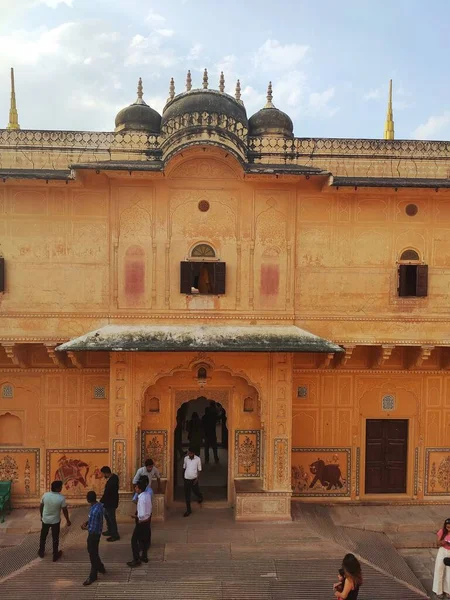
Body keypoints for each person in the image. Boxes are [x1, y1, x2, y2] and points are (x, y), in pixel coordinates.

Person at [38, 480, 71, 561]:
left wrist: (42, 515)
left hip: (45, 519)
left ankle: (41, 552)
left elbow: (41, 506)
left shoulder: (45, 495)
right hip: (55, 521)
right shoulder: (61, 498)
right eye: (60, 487)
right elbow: (64, 510)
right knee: (55, 538)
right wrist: (68, 520)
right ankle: (55, 554)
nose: (61, 488)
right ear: (57, 488)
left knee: (43, 536)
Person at [81, 491, 106, 586]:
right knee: (93, 552)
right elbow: (92, 519)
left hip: (93, 535)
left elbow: (93, 528)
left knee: (92, 554)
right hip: (95, 533)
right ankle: (100, 567)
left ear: (88, 499)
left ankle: (93, 575)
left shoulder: (95, 510)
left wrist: (84, 528)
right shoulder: (97, 505)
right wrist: (87, 522)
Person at [127, 480, 152, 568]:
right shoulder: (147, 495)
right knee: (144, 540)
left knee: (134, 540)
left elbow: (141, 514)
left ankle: (136, 559)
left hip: (141, 522)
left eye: (136, 487)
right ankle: (144, 556)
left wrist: (135, 517)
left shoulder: (141, 498)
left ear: (140, 489)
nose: (135, 488)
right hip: (147, 521)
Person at [100, 466, 120, 542]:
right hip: (109, 502)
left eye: (103, 474)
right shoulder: (114, 477)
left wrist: (101, 501)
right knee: (107, 516)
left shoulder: (111, 482)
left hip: (110, 503)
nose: (103, 475)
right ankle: (110, 530)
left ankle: (115, 535)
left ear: (106, 473)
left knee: (111, 518)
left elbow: (107, 493)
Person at [432, 518, 450, 598]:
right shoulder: (442, 531)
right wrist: (442, 542)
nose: (448, 528)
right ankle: (438, 591)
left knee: (449, 573)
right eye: (447, 527)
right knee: (439, 570)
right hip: (442, 551)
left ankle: (448, 591)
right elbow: (437, 543)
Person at [183, 447, 203, 517]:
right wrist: (184, 477)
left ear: (193, 453)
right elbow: (184, 468)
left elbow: (199, 470)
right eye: (188, 453)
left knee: (196, 491)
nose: (189, 454)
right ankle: (188, 510)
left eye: (190, 453)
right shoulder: (185, 458)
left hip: (194, 479)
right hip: (186, 479)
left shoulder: (198, 459)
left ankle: (200, 496)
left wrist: (197, 479)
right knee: (187, 495)